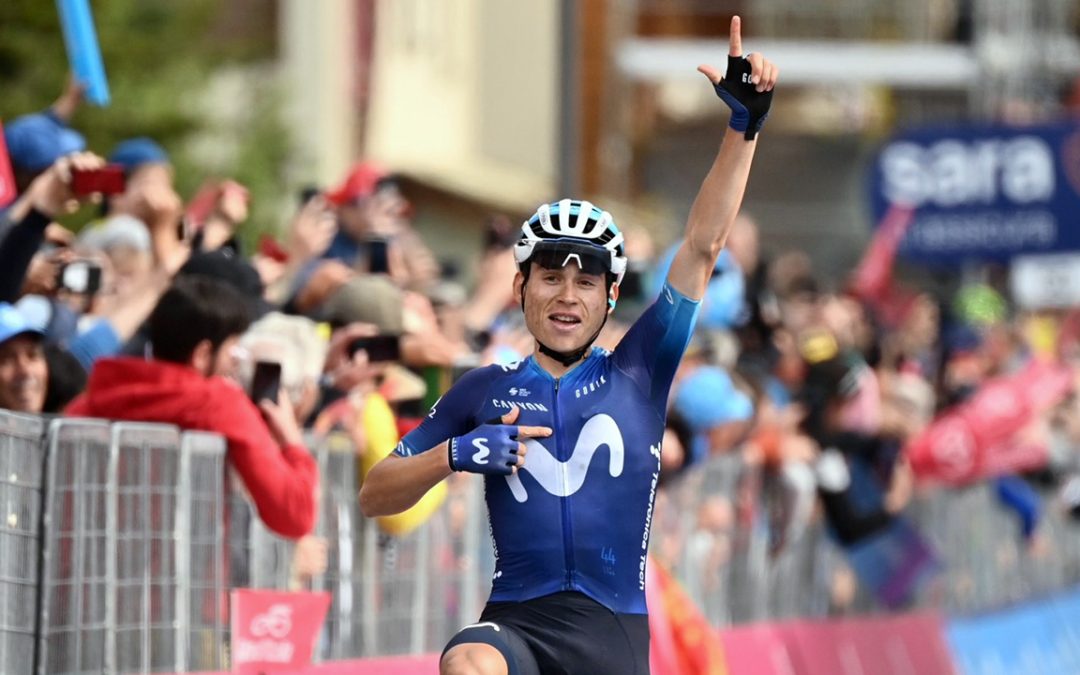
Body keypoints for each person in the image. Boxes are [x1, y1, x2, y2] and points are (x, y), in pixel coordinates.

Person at [360, 16, 776, 675]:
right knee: (467, 660)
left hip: (610, 637)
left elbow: (702, 245)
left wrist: (743, 128)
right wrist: (456, 453)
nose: (567, 295)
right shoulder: (482, 387)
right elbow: (374, 493)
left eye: (586, 283)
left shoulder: (641, 369)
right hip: (514, 626)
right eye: (550, 277)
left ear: (611, 299)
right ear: (519, 285)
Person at [66, 275, 319, 538]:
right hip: (182, 574)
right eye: (231, 349)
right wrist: (293, 442)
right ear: (202, 355)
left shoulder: (93, 398)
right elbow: (294, 514)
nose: (235, 362)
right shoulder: (218, 403)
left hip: (82, 567)